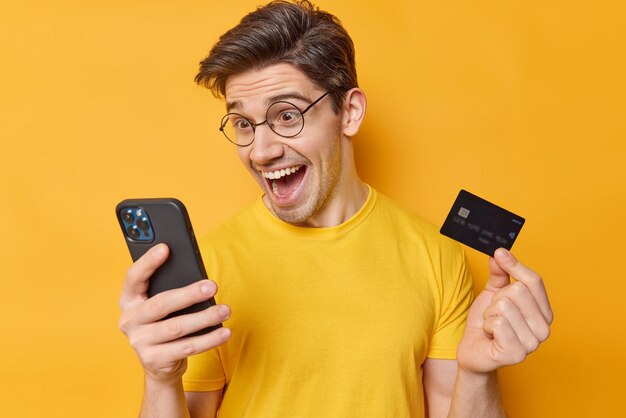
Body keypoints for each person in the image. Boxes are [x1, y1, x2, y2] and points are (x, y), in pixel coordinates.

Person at [117, 1, 553, 417]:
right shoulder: (204, 270)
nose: (261, 150)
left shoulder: (436, 256)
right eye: (244, 124)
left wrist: (478, 373)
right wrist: (160, 380)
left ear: (349, 112)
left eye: (286, 116)